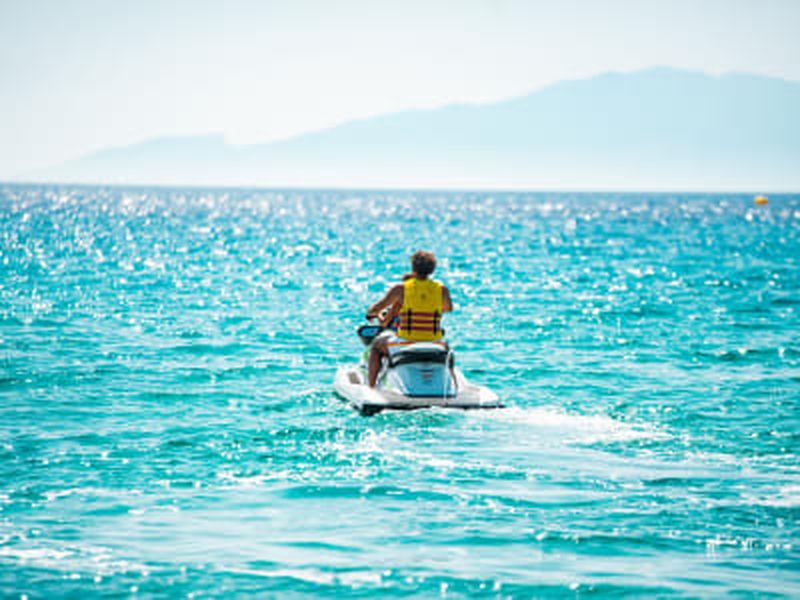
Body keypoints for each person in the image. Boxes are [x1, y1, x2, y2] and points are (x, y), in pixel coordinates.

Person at [365, 250, 453, 387]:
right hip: (434, 341)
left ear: (413, 268)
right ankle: (453, 385)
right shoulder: (442, 289)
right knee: (448, 349)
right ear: (432, 269)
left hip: (406, 341)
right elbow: (448, 308)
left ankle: (371, 387)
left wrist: (371, 312)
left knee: (376, 346)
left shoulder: (401, 289)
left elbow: (377, 308)